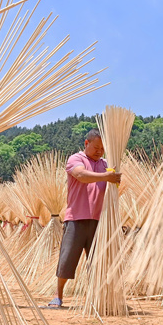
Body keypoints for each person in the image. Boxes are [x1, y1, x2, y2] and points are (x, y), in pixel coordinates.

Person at [48, 128, 121, 308]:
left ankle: (97, 298)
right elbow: (81, 175)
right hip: (76, 218)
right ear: (86, 143)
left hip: (99, 220)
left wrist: (113, 177)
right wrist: (106, 176)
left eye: (102, 149)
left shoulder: (106, 165)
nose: (99, 151)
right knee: (67, 258)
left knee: (98, 262)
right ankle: (58, 296)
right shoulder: (76, 159)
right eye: (96, 147)